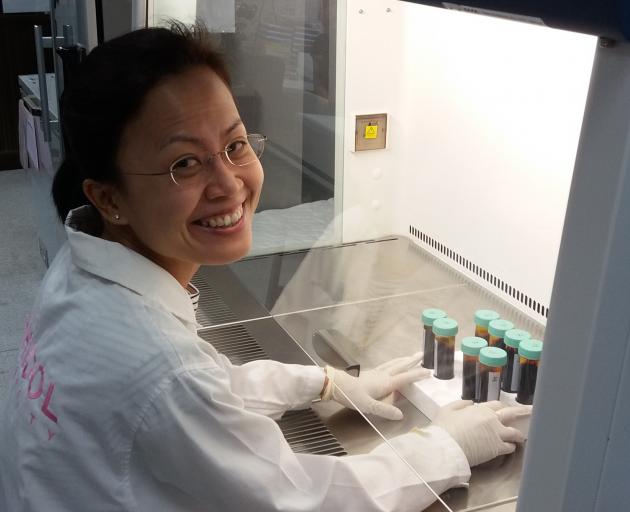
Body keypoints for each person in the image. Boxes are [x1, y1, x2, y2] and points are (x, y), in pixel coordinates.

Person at [0, 23, 529, 511]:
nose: (229, 184)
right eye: (184, 163)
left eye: (234, 145)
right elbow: (295, 499)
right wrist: (444, 447)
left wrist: (321, 382)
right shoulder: (159, 367)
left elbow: (200, 392)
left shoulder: (81, 266)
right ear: (110, 198)